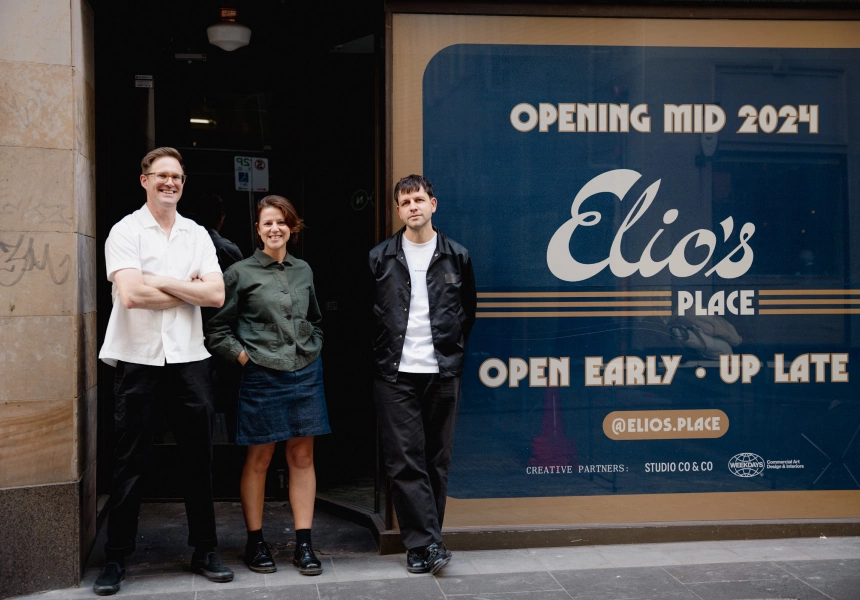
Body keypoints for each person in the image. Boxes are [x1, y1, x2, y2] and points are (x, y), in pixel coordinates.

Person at [95, 147, 232, 596]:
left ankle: (205, 549)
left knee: (200, 458)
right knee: (130, 459)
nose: (169, 182)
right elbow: (131, 296)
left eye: (176, 176)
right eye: (160, 176)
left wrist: (161, 282)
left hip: (190, 358)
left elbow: (215, 296)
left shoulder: (196, 234)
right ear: (144, 181)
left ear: (183, 183)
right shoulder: (125, 231)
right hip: (139, 358)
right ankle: (116, 557)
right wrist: (187, 289)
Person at [205, 195, 330, 576]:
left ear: (291, 227)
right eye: (267, 223)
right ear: (257, 230)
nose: (275, 229)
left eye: (282, 222)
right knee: (259, 460)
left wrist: (313, 341)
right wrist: (244, 358)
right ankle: (255, 542)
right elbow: (216, 329)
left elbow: (315, 317)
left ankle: (304, 545)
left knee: (302, 458)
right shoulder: (240, 273)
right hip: (261, 375)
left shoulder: (303, 270)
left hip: (305, 372)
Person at [368, 174, 476, 575]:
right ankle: (424, 544)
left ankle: (427, 543)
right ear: (398, 210)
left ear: (433, 204)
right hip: (394, 374)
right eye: (405, 202)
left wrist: (451, 353)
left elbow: (468, 311)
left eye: (419, 199)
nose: (413, 207)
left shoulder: (457, 256)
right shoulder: (380, 257)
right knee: (405, 460)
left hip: (443, 371)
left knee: (437, 460)